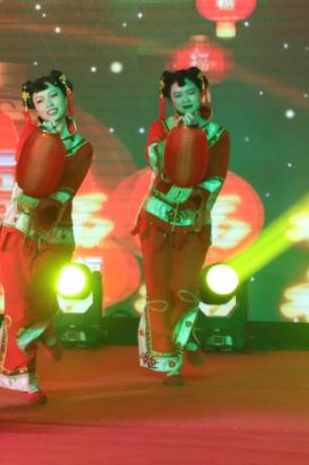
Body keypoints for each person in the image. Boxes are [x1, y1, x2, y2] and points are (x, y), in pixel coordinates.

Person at [0, 71, 93, 404]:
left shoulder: (82, 147)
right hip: (18, 229)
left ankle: (47, 327)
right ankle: (28, 380)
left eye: (54, 97)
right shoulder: (31, 136)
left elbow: (66, 189)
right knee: (18, 304)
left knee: (41, 294)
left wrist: (46, 204)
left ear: (67, 97)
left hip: (55, 234)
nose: (48, 105)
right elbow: (26, 175)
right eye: (40, 101)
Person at [135, 67, 229, 385]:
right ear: (170, 99)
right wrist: (182, 134)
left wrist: (194, 192)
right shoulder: (161, 128)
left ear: (202, 94)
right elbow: (156, 162)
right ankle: (171, 361)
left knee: (185, 290)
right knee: (159, 293)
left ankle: (184, 337)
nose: (185, 99)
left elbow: (216, 178)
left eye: (190, 92)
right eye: (177, 95)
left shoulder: (218, 135)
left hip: (193, 223)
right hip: (156, 219)